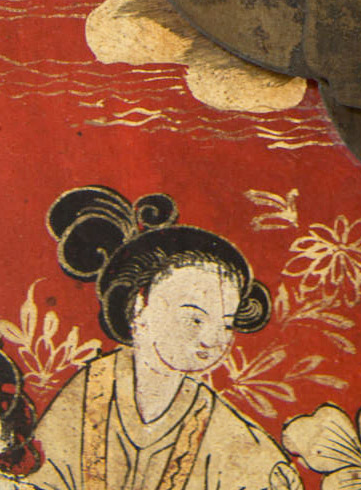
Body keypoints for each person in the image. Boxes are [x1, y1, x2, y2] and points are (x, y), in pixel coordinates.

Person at [27, 186, 299, 490]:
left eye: (225, 324)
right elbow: (39, 477)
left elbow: (263, 472)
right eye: (194, 319)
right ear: (140, 307)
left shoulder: (219, 425)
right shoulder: (89, 392)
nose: (212, 340)